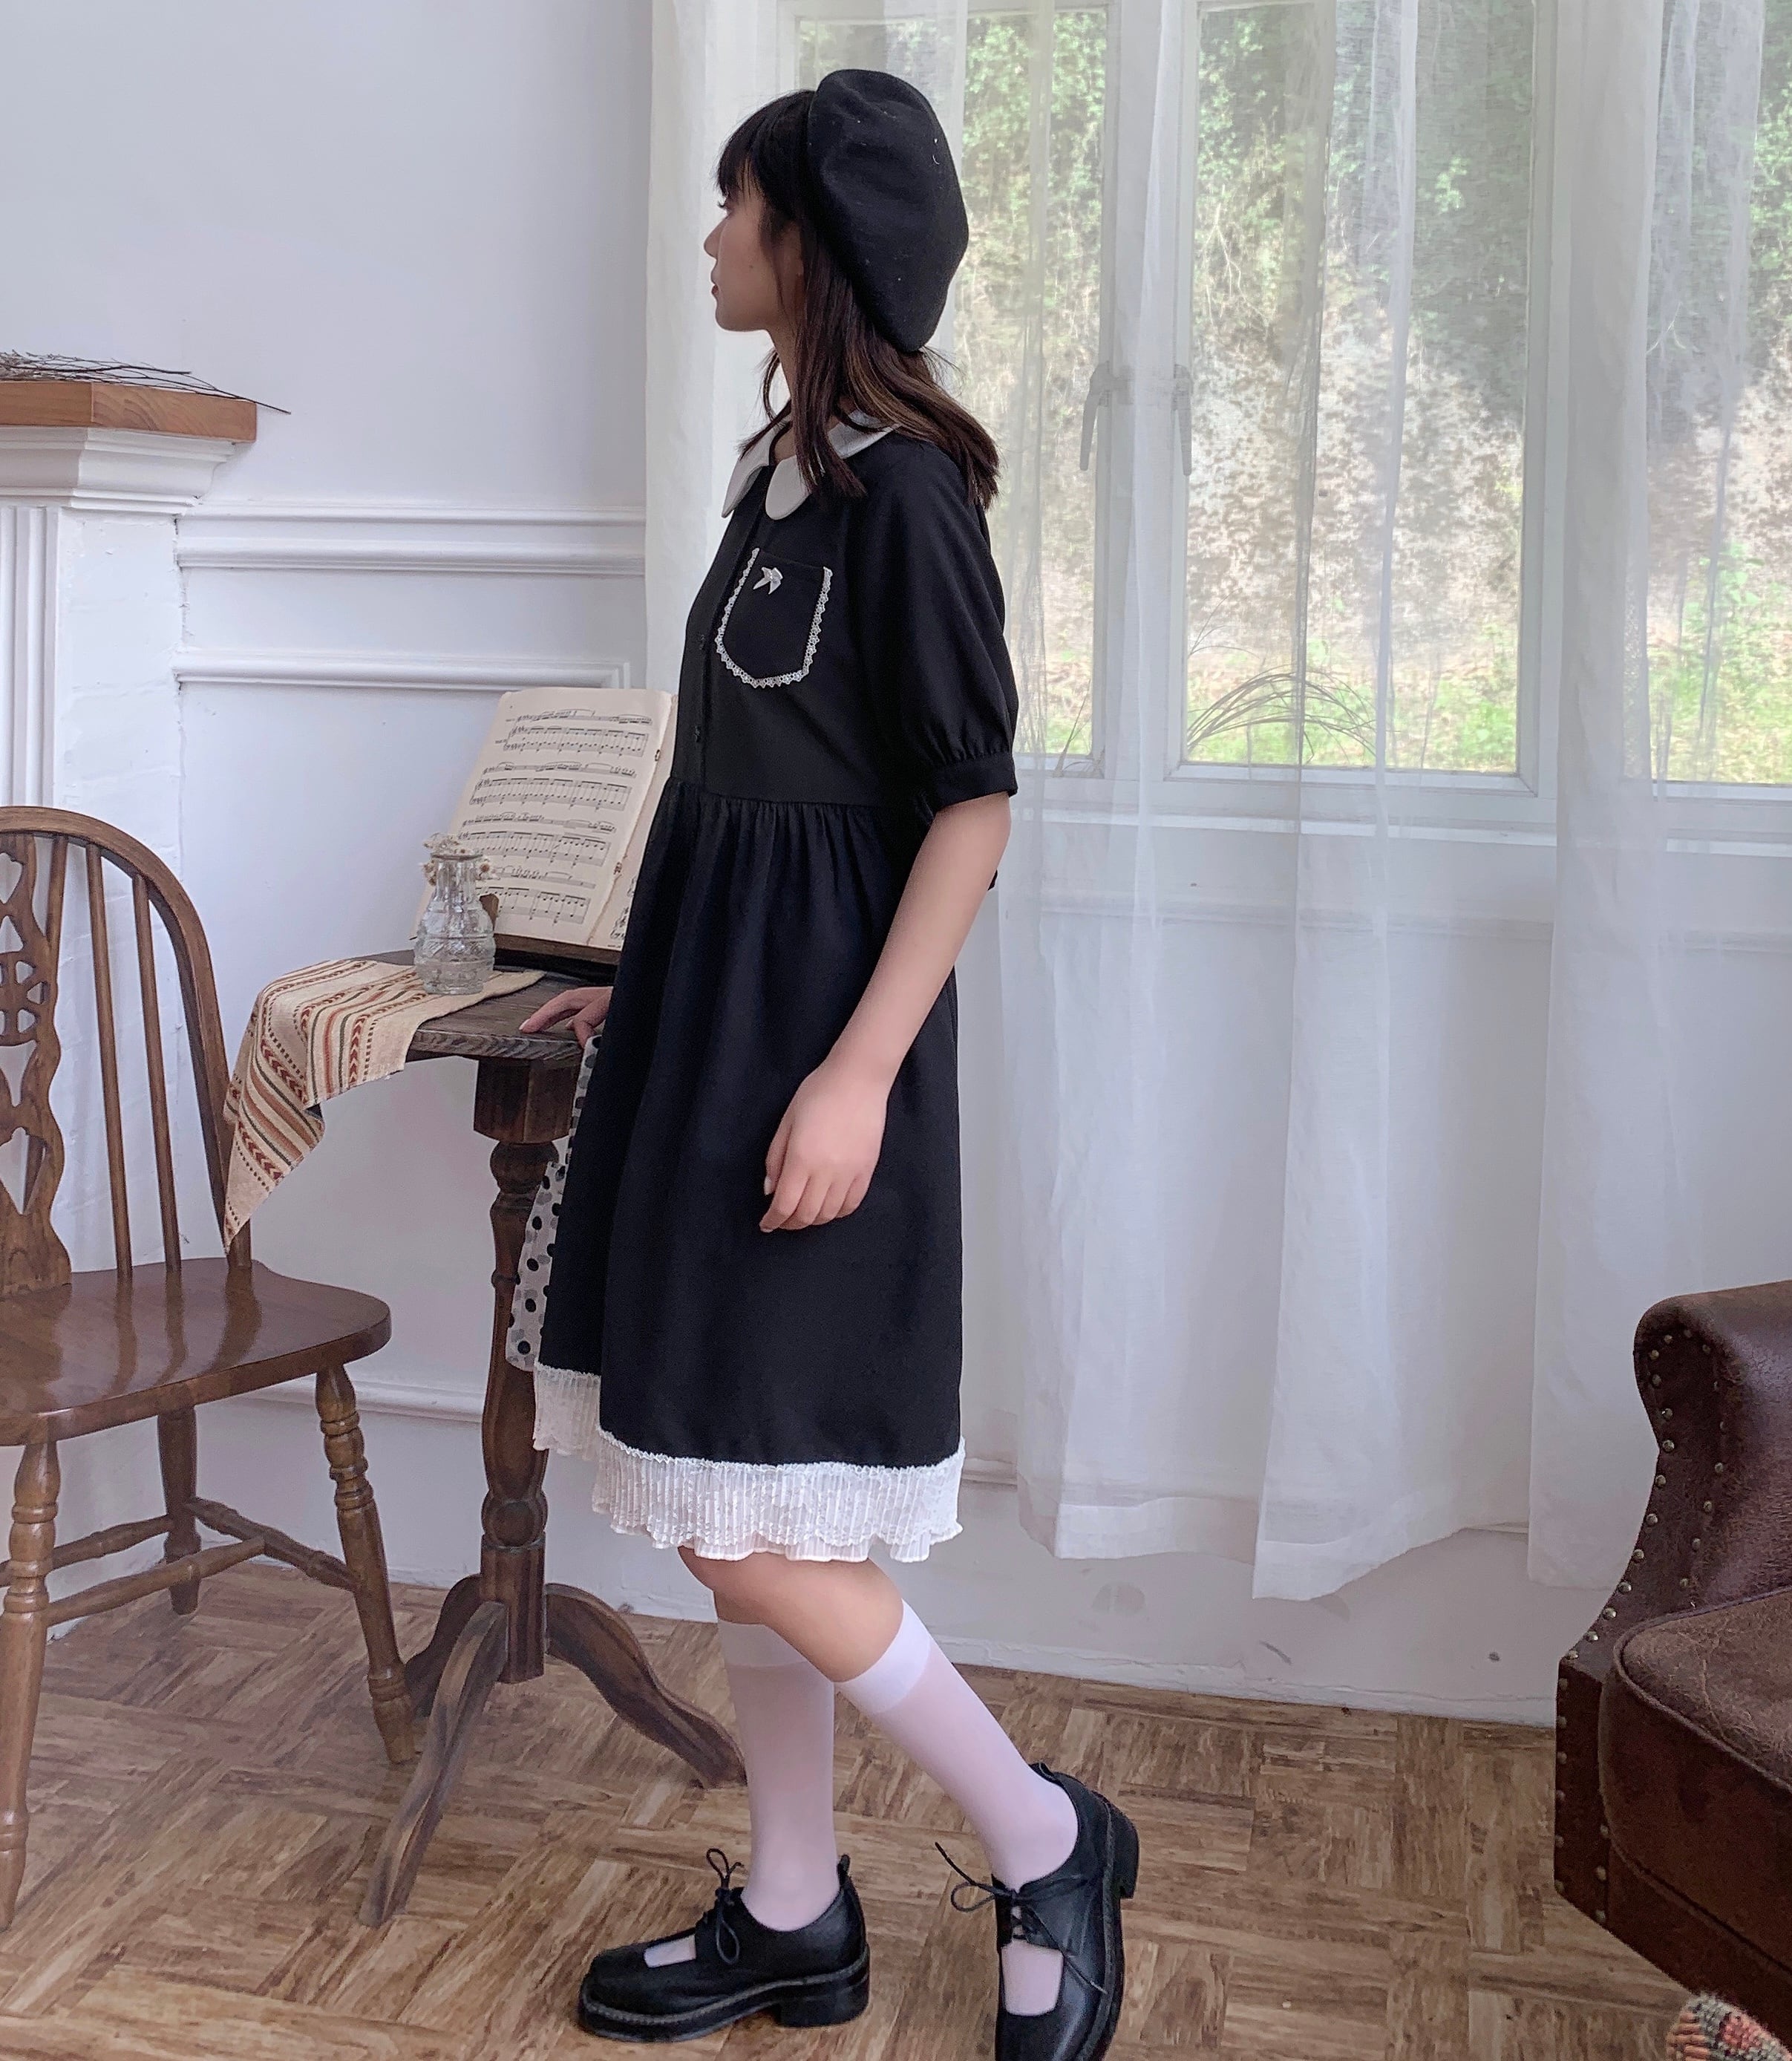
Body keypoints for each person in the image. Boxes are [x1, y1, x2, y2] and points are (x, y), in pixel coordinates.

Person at [510, 70, 1137, 2060]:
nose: (711, 237)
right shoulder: (774, 474)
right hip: (711, 1034)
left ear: (814, 243)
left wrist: (856, 1076)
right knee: (750, 1491)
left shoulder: (908, 497)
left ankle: (1043, 1836)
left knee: (749, 1521)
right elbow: (743, 798)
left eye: (738, 207)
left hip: (817, 1063)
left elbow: (969, 808)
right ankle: (795, 1910)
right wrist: (649, 981)